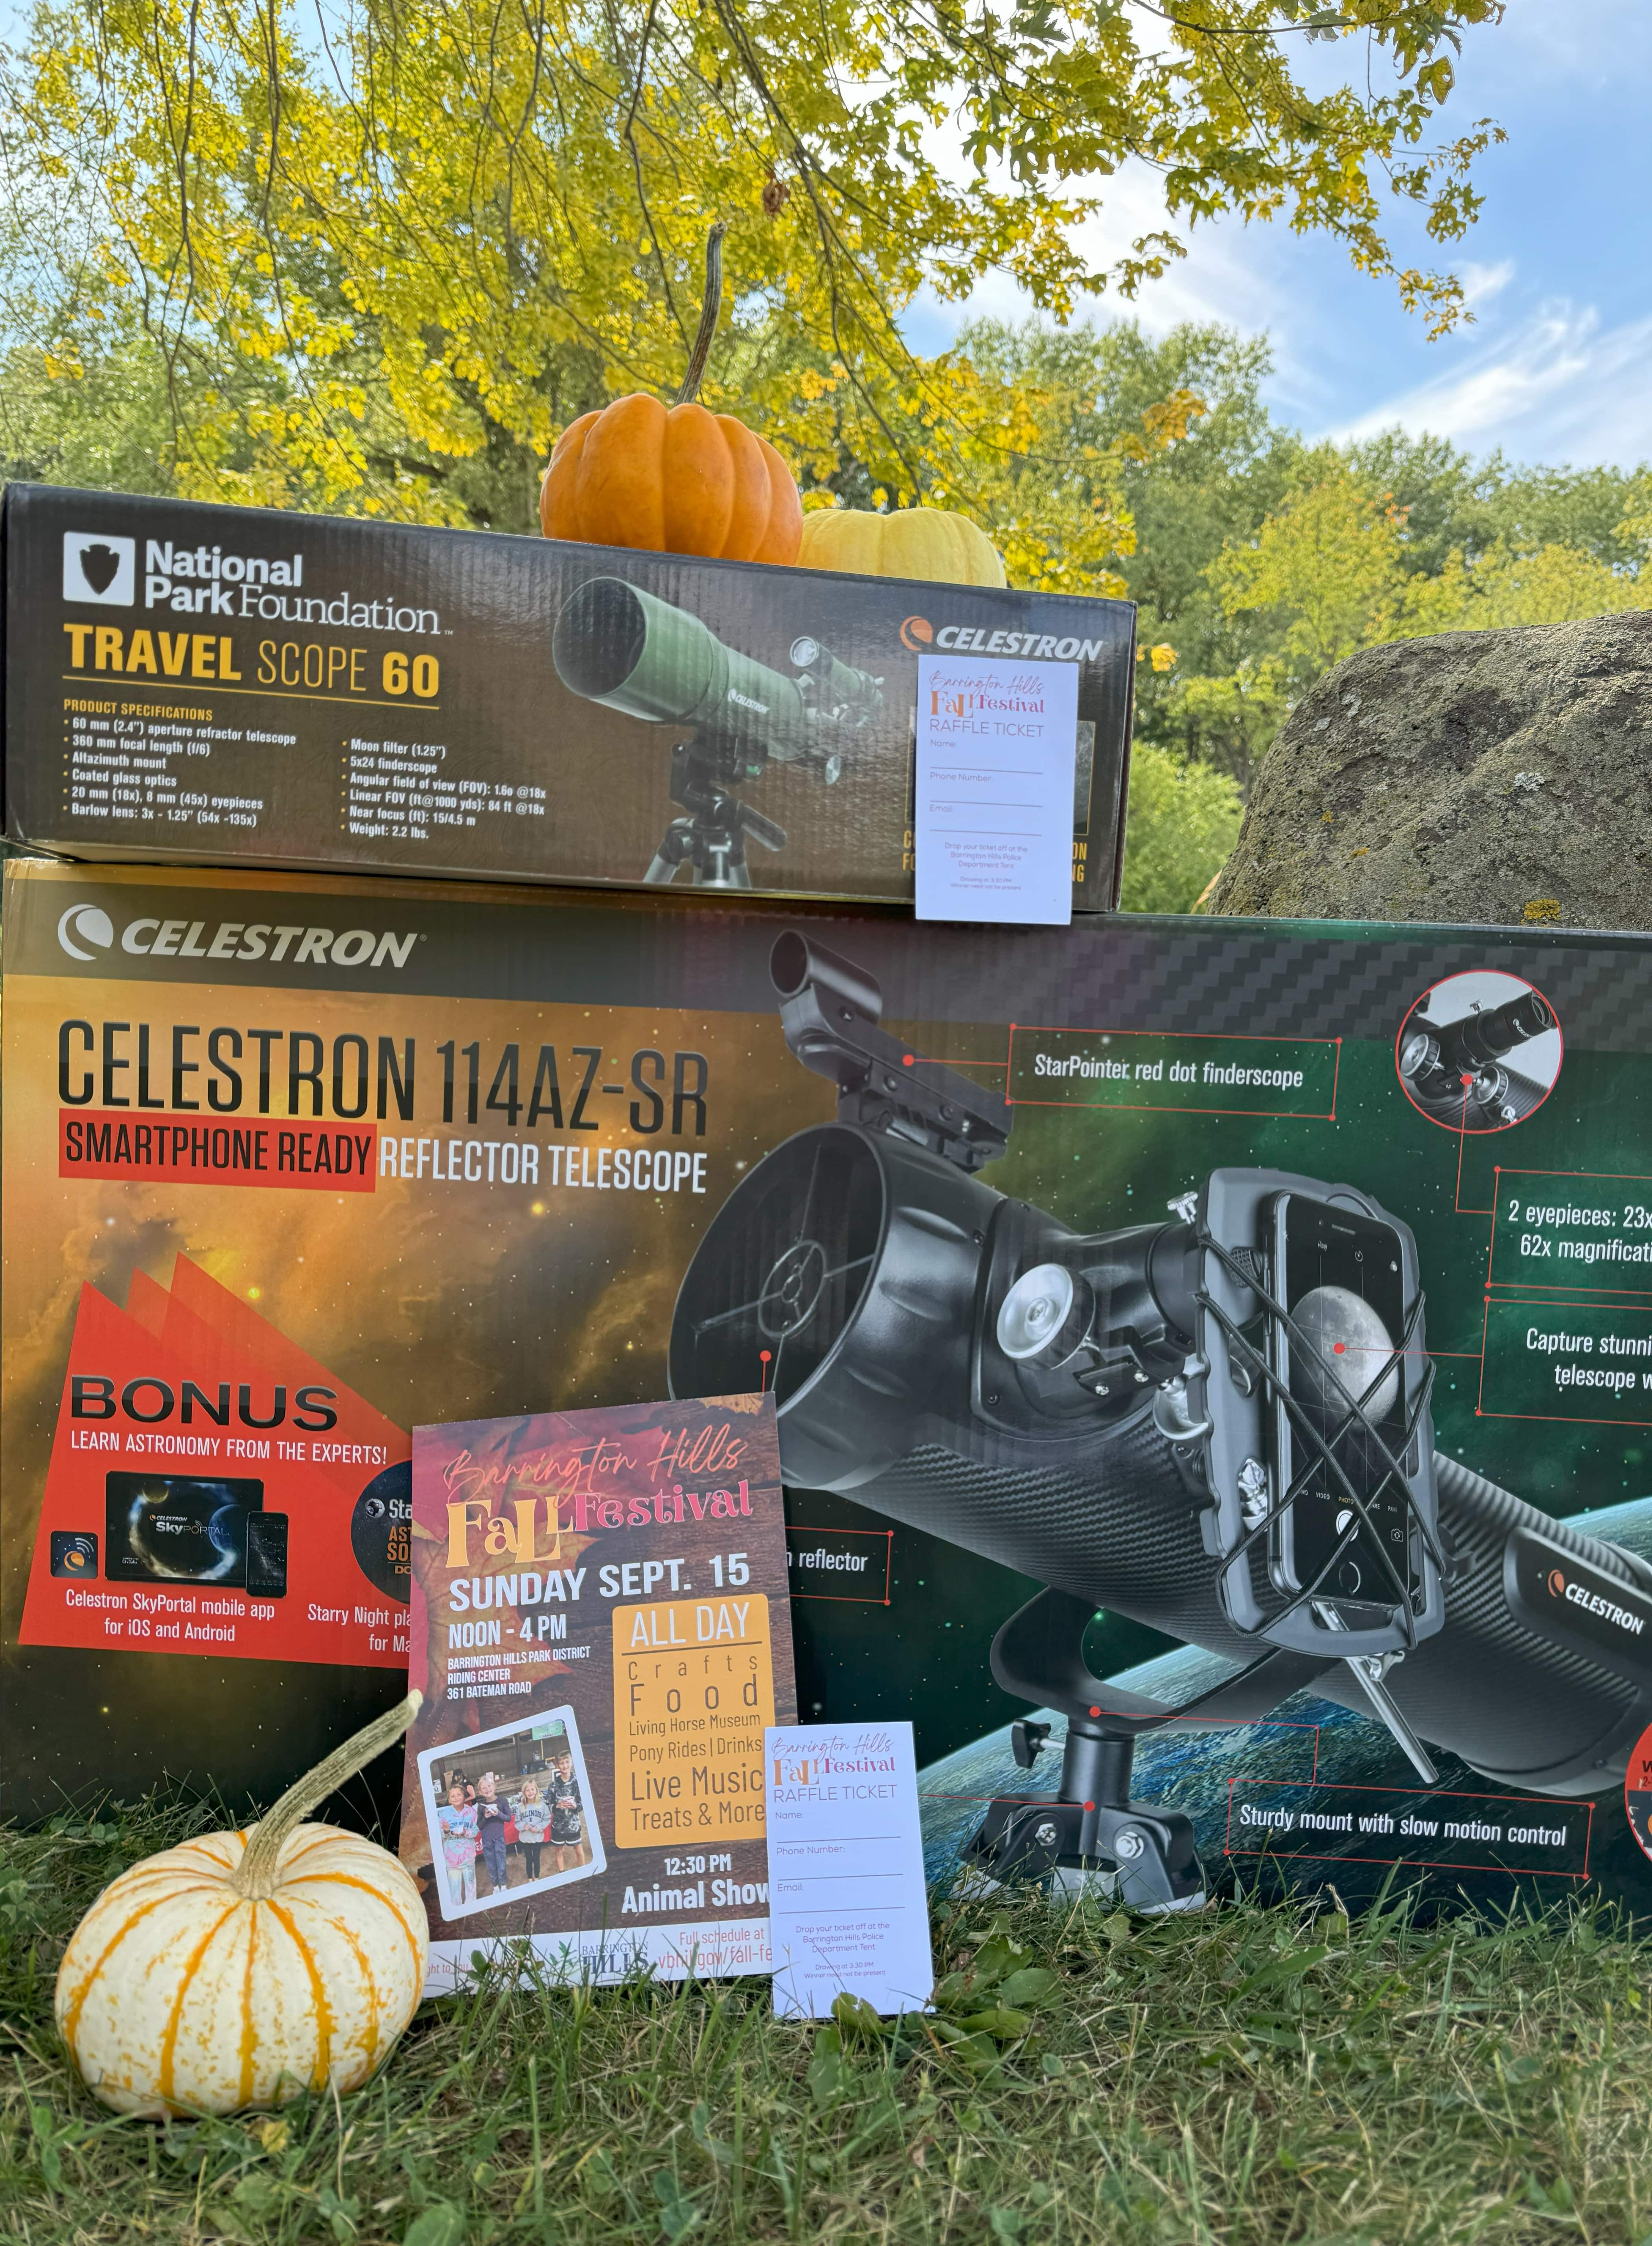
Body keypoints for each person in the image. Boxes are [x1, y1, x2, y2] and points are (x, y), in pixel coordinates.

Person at [436, 1780, 478, 1910]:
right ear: (449, 1800)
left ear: (464, 1796)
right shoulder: (444, 1814)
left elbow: (476, 1830)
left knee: (471, 1885)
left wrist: (467, 1832)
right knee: (454, 1888)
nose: (456, 1798)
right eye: (453, 1796)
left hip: (468, 1857)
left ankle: (471, 1907)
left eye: (459, 1795)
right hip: (452, 1859)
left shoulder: (471, 1812)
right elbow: (440, 1836)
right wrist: (446, 1831)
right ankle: (457, 1910)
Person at [549, 1747, 586, 1873]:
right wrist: (557, 1806)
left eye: (567, 1762)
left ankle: (584, 1873)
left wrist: (576, 1806)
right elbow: (548, 1806)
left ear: (572, 1763)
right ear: (557, 1766)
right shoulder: (553, 1785)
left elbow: (584, 1804)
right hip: (558, 1827)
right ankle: (562, 1873)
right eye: (562, 1763)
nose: (565, 1766)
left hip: (573, 1826)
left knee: (579, 1850)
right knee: (559, 1851)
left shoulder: (578, 1783)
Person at [475, 1770, 510, 1895]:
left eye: (489, 1786)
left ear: (494, 1787)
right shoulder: (481, 1806)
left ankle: (504, 1885)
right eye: (484, 1788)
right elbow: (480, 1826)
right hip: (487, 1840)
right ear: (480, 1792)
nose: (487, 1789)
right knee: (491, 1864)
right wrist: (485, 1817)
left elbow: (508, 1818)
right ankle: (495, 1886)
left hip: (499, 1838)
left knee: (501, 1862)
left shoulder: (502, 1801)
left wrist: (498, 1814)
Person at [511, 1775, 552, 1881]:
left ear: (537, 1790)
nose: (530, 1792)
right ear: (524, 1793)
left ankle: (537, 1878)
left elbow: (547, 1819)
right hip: (526, 1838)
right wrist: (523, 1826)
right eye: (528, 1790)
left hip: (538, 1837)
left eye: (532, 1789)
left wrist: (538, 1827)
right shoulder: (521, 1807)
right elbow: (517, 1822)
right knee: (529, 1860)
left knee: (537, 1859)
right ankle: (530, 1879)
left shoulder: (542, 1805)